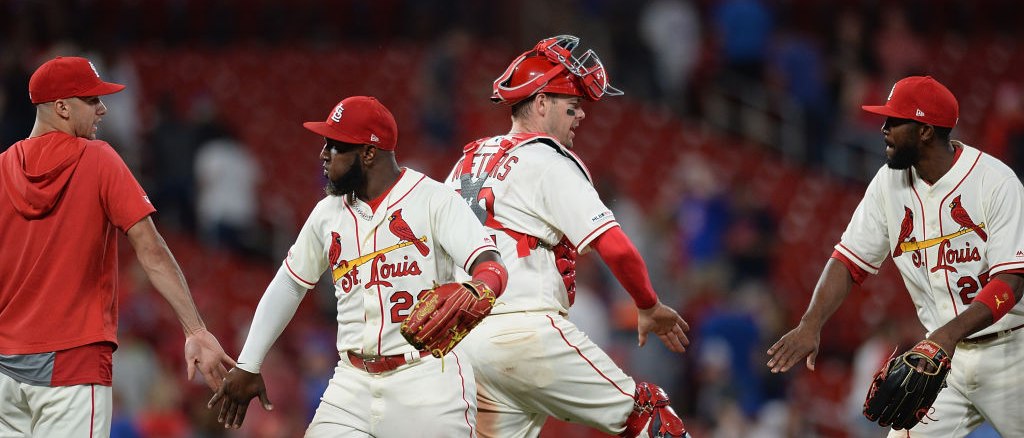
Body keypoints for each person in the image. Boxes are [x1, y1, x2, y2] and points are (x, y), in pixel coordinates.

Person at [208, 95, 509, 437]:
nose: (323, 155)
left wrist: (477, 288)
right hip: (351, 383)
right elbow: (290, 284)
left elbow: (491, 265)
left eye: (335, 146)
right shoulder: (327, 213)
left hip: (427, 381)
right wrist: (249, 363)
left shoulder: (433, 199)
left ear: (368, 153)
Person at [444, 35, 691, 438]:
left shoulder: (465, 162)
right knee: (649, 414)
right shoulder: (546, 159)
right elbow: (616, 248)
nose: (581, 115)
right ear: (542, 103)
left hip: (464, 343)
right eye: (572, 105)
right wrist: (648, 304)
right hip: (524, 331)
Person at [766, 76, 1024, 437]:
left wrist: (945, 336)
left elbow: (1011, 281)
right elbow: (848, 260)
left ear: (925, 131)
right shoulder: (888, 183)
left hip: (1012, 353)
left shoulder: (995, 183)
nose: (884, 128)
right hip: (941, 363)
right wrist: (811, 323)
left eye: (895, 121)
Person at [0, 56, 235, 436]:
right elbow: (151, 249)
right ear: (62, 107)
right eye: (92, 100)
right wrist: (195, 329)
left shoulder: (1, 168)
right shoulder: (97, 157)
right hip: (72, 364)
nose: (103, 109)